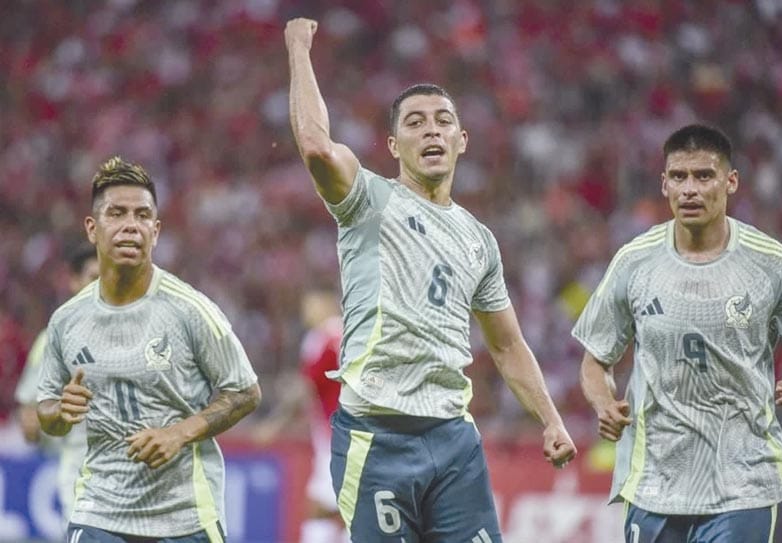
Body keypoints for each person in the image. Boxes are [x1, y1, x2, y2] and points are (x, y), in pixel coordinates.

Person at [285, 17, 576, 542]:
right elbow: (316, 146)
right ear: (393, 145)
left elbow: (507, 343)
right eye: (415, 123)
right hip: (376, 433)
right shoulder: (369, 201)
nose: (431, 130)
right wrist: (298, 48)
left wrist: (551, 419)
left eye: (443, 121)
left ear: (462, 140)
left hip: (452, 437)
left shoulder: (479, 240)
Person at [573, 124, 782, 543]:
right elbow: (595, 359)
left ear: (731, 181)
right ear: (664, 184)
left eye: (704, 176)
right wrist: (604, 403)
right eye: (679, 177)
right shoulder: (635, 261)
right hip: (654, 484)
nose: (690, 189)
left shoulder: (772, 264)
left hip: (743, 485)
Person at [37, 156, 262, 543]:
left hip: (185, 516)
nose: (131, 225)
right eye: (116, 213)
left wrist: (179, 433)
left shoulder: (191, 310)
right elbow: (46, 412)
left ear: (155, 232)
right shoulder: (66, 321)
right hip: (99, 511)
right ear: (92, 228)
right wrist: (60, 411)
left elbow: (246, 391)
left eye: (142, 215)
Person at [14, 243, 99, 527]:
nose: (102, 286)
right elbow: (30, 419)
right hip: (83, 471)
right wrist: (57, 416)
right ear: (73, 281)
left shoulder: (136, 329)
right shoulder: (54, 338)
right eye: (93, 278)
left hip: (135, 470)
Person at [253, 288, 347, 543]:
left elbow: (306, 388)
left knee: (318, 506)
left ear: (326, 304)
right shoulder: (351, 333)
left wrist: (274, 424)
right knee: (350, 502)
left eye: (311, 305)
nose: (307, 313)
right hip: (357, 434)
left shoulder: (322, 336)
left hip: (334, 438)